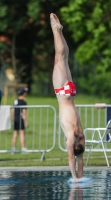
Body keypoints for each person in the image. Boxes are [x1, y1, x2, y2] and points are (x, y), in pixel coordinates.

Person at [50, 13, 85, 181]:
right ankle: (56, 30)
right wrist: (75, 178)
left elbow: (79, 158)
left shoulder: (80, 133)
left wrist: (79, 177)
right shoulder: (72, 135)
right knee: (60, 57)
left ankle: (58, 31)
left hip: (70, 93)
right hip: (63, 93)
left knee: (64, 56)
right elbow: (74, 158)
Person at [12, 88, 28, 153]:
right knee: (22, 133)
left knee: (15, 134)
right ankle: (23, 148)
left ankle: (13, 148)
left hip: (15, 119)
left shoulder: (15, 101)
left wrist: (13, 118)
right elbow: (24, 112)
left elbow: (12, 110)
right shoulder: (23, 102)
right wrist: (26, 122)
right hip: (20, 119)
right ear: (23, 93)